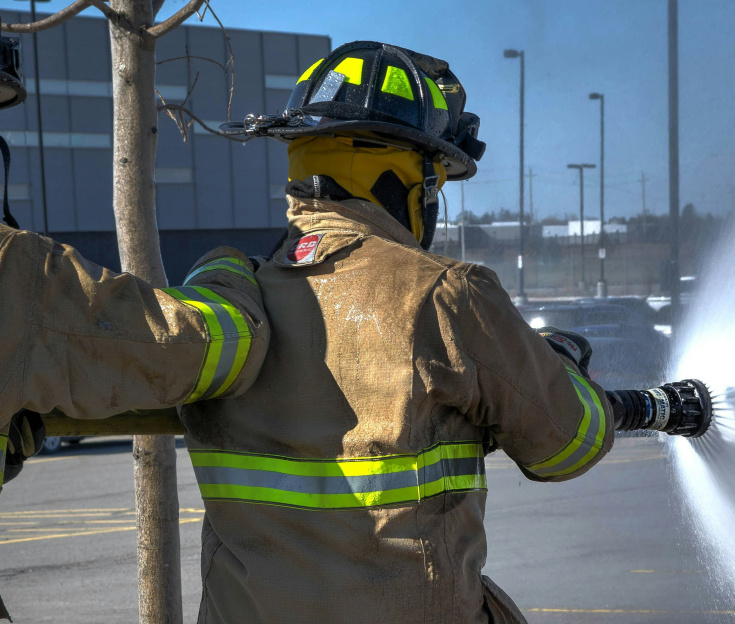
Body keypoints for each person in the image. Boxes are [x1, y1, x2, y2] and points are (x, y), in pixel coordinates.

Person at [2, 41, 613, 624]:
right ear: (408, 183)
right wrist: (557, 366)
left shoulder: (247, 293)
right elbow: (569, 444)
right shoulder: (446, 295)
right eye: (433, 187)